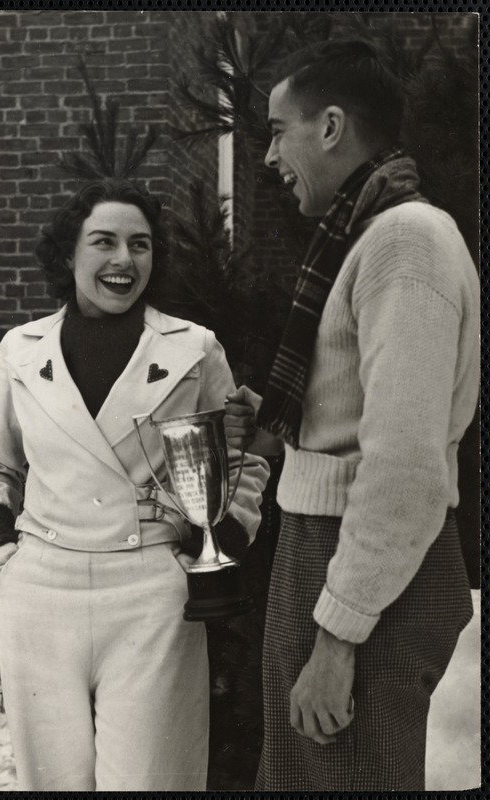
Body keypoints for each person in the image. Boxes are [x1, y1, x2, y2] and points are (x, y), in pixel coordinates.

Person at [224, 39, 479, 791]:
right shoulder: (369, 235)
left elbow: (404, 464)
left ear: (330, 126)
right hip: (335, 557)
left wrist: (336, 641)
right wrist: (285, 422)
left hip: (364, 578)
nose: (268, 156)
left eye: (276, 130)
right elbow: (364, 412)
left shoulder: (404, 241)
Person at [0, 178, 269, 792]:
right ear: (69, 255)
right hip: (40, 596)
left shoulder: (193, 348)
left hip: (153, 597)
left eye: (141, 244)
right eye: (103, 241)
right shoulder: (20, 352)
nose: (123, 260)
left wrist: (218, 542)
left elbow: (240, 460)